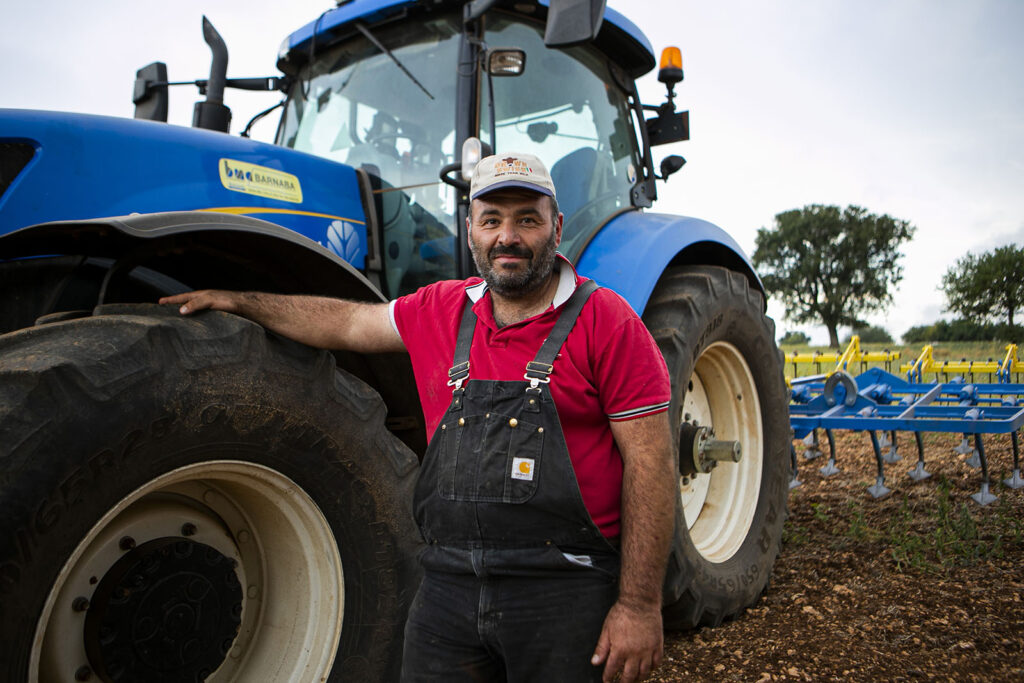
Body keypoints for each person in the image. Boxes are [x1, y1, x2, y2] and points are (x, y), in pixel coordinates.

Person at [160, 152, 676, 683]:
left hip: (563, 589)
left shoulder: (607, 321)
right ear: (470, 228)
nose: (508, 237)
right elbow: (347, 322)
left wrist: (638, 606)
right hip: (448, 586)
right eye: (492, 219)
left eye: (528, 218)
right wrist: (240, 301)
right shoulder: (440, 308)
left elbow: (651, 465)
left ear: (556, 227)